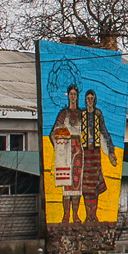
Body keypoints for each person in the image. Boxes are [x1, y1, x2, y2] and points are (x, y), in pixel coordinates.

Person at [77, 89, 118, 225]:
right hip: (84, 152)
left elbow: (104, 131)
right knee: (85, 184)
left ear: (94, 100)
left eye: (91, 98)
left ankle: (93, 214)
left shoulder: (98, 114)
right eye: (87, 98)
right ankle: (88, 214)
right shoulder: (81, 114)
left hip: (95, 152)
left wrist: (111, 150)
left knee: (94, 183)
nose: (89, 100)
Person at [50, 85, 84, 224]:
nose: (73, 96)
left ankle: (75, 215)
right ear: (68, 96)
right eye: (71, 94)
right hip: (66, 149)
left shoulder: (82, 114)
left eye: (75, 94)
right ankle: (66, 215)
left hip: (78, 150)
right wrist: (59, 148)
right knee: (66, 183)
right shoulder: (63, 113)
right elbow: (53, 132)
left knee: (77, 183)